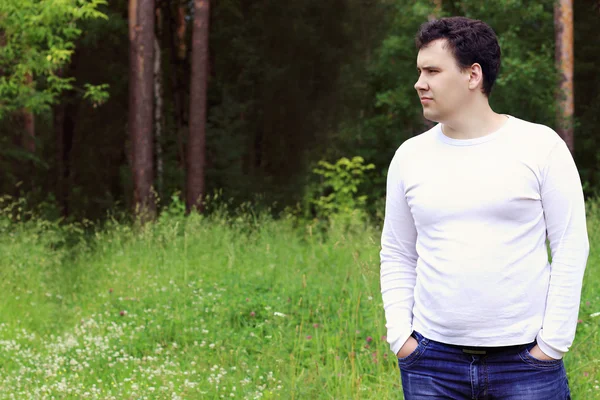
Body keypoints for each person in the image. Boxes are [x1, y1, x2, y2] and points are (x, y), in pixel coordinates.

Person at [379, 16, 589, 399]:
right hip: (431, 361)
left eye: (432, 71)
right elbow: (396, 252)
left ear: (472, 75)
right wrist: (401, 337)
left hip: (526, 362)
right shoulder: (409, 157)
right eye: (419, 70)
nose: (419, 83)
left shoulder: (541, 147)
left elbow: (571, 247)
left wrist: (551, 346)